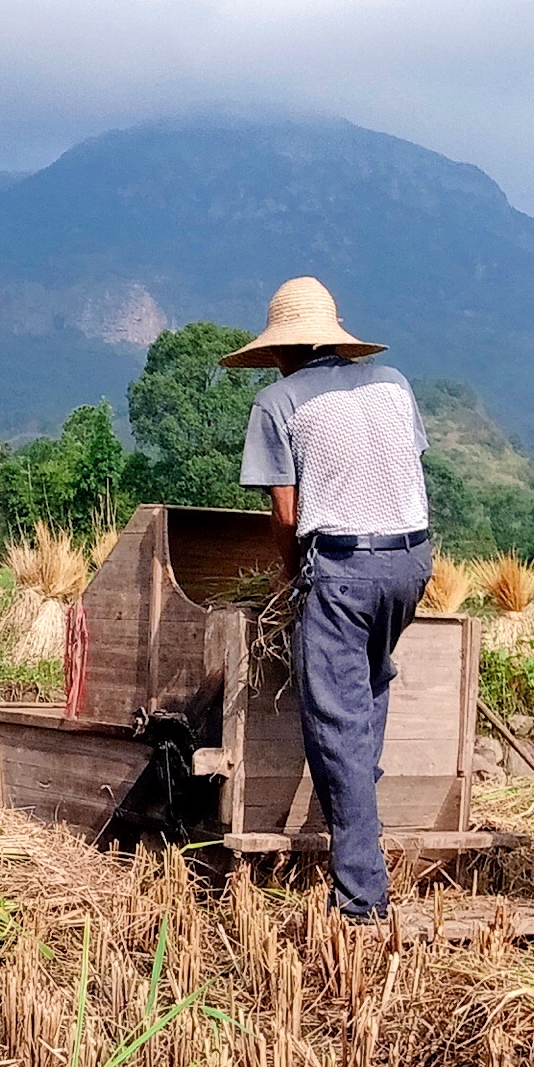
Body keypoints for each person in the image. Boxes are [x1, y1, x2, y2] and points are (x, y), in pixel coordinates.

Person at [226, 276, 430, 923]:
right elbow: (404, 467)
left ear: (281, 350)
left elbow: (286, 516)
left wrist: (288, 588)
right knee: (366, 692)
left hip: (342, 568)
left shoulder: (278, 402)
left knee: (334, 725)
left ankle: (362, 903)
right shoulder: (393, 385)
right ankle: (359, 828)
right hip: (413, 562)